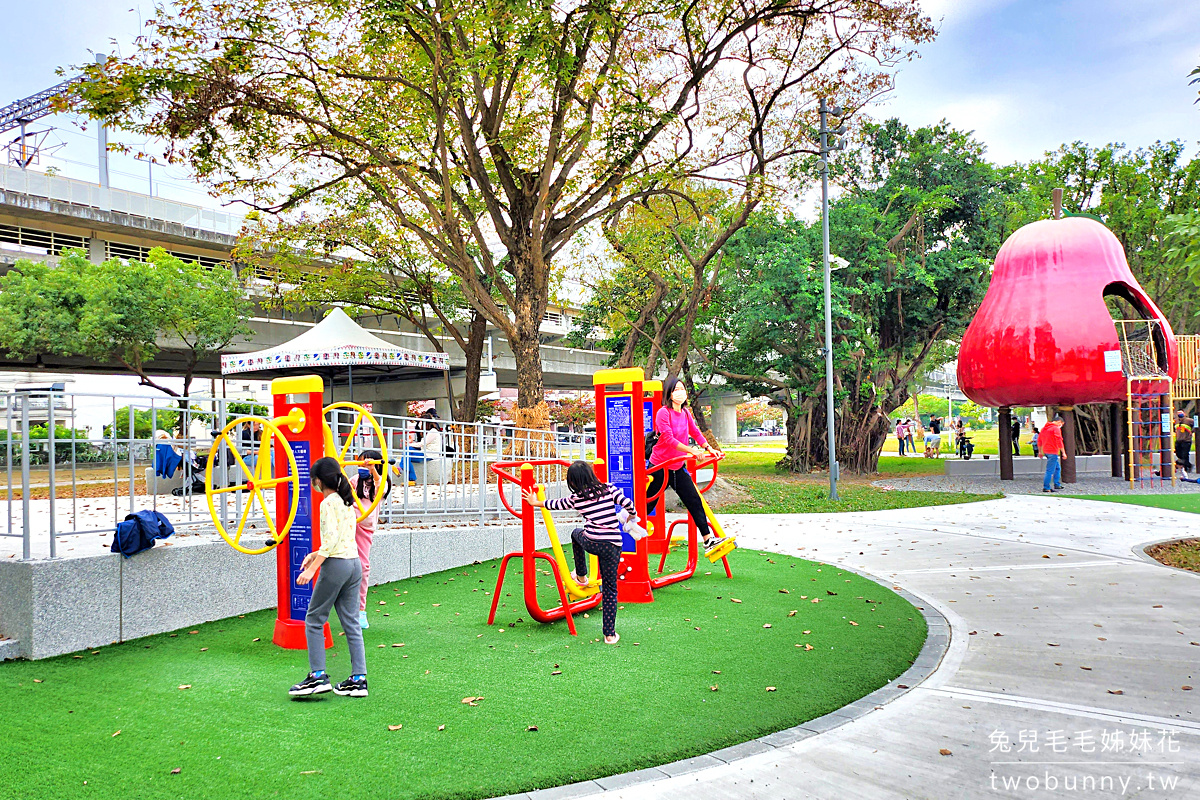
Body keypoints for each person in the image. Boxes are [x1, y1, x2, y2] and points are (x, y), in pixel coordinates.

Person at [523, 460, 637, 644]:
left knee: (576, 534)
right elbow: (628, 503)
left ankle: (582, 576)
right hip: (612, 545)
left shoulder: (577, 498)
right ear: (592, 475)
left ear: (573, 483)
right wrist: (630, 516)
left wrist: (535, 502)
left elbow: (554, 504)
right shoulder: (609, 489)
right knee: (609, 589)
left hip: (592, 541)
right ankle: (609, 634)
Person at [289, 457, 368, 698]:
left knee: (314, 618)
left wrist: (312, 569)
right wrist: (315, 555)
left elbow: (332, 541)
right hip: (353, 564)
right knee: (351, 622)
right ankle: (358, 679)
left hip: (337, 565)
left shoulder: (327, 503)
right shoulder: (346, 502)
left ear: (319, 481)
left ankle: (317, 676)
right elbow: (341, 539)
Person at [647, 375, 723, 552]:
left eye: (682, 389)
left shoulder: (685, 413)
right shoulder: (663, 413)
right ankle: (627, 528)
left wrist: (709, 448)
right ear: (669, 394)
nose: (680, 393)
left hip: (677, 466)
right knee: (648, 503)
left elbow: (695, 433)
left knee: (694, 500)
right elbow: (668, 439)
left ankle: (708, 540)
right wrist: (692, 451)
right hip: (660, 467)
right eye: (676, 390)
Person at [349, 451, 389, 630]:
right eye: (361, 463)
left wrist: (373, 471)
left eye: (367, 463)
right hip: (350, 521)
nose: (363, 467)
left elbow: (381, 489)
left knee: (363, 566)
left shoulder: (381, 481)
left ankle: (360, 611)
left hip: (365, 525)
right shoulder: (355, 480)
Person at [1040, 414, 1065, 493]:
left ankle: (1057, 484)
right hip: (1053, 451)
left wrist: (1040, 451)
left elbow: (1040, 439)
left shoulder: (1045, 428)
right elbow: (1059, 441)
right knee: (1050, 470)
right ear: (1059, 422)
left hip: (1046, 451)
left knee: (1057, 468)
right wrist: (1063, 452)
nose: (1061, 426)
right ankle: (1046, 487)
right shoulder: (1056, 429)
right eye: (1061, 424)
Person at [1174, 411, 1193, 477]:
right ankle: (1187, 465)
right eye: (1178, 413)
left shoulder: (1189, 420)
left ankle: (1186, 467)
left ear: (1184, 414)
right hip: (1178, 440)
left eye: (1181, 413)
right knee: (1178, 454)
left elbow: (1196, 425)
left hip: (1186, 440)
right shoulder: (1176, 421)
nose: (1180, 415)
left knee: (1184, 454)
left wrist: (1192, 431)